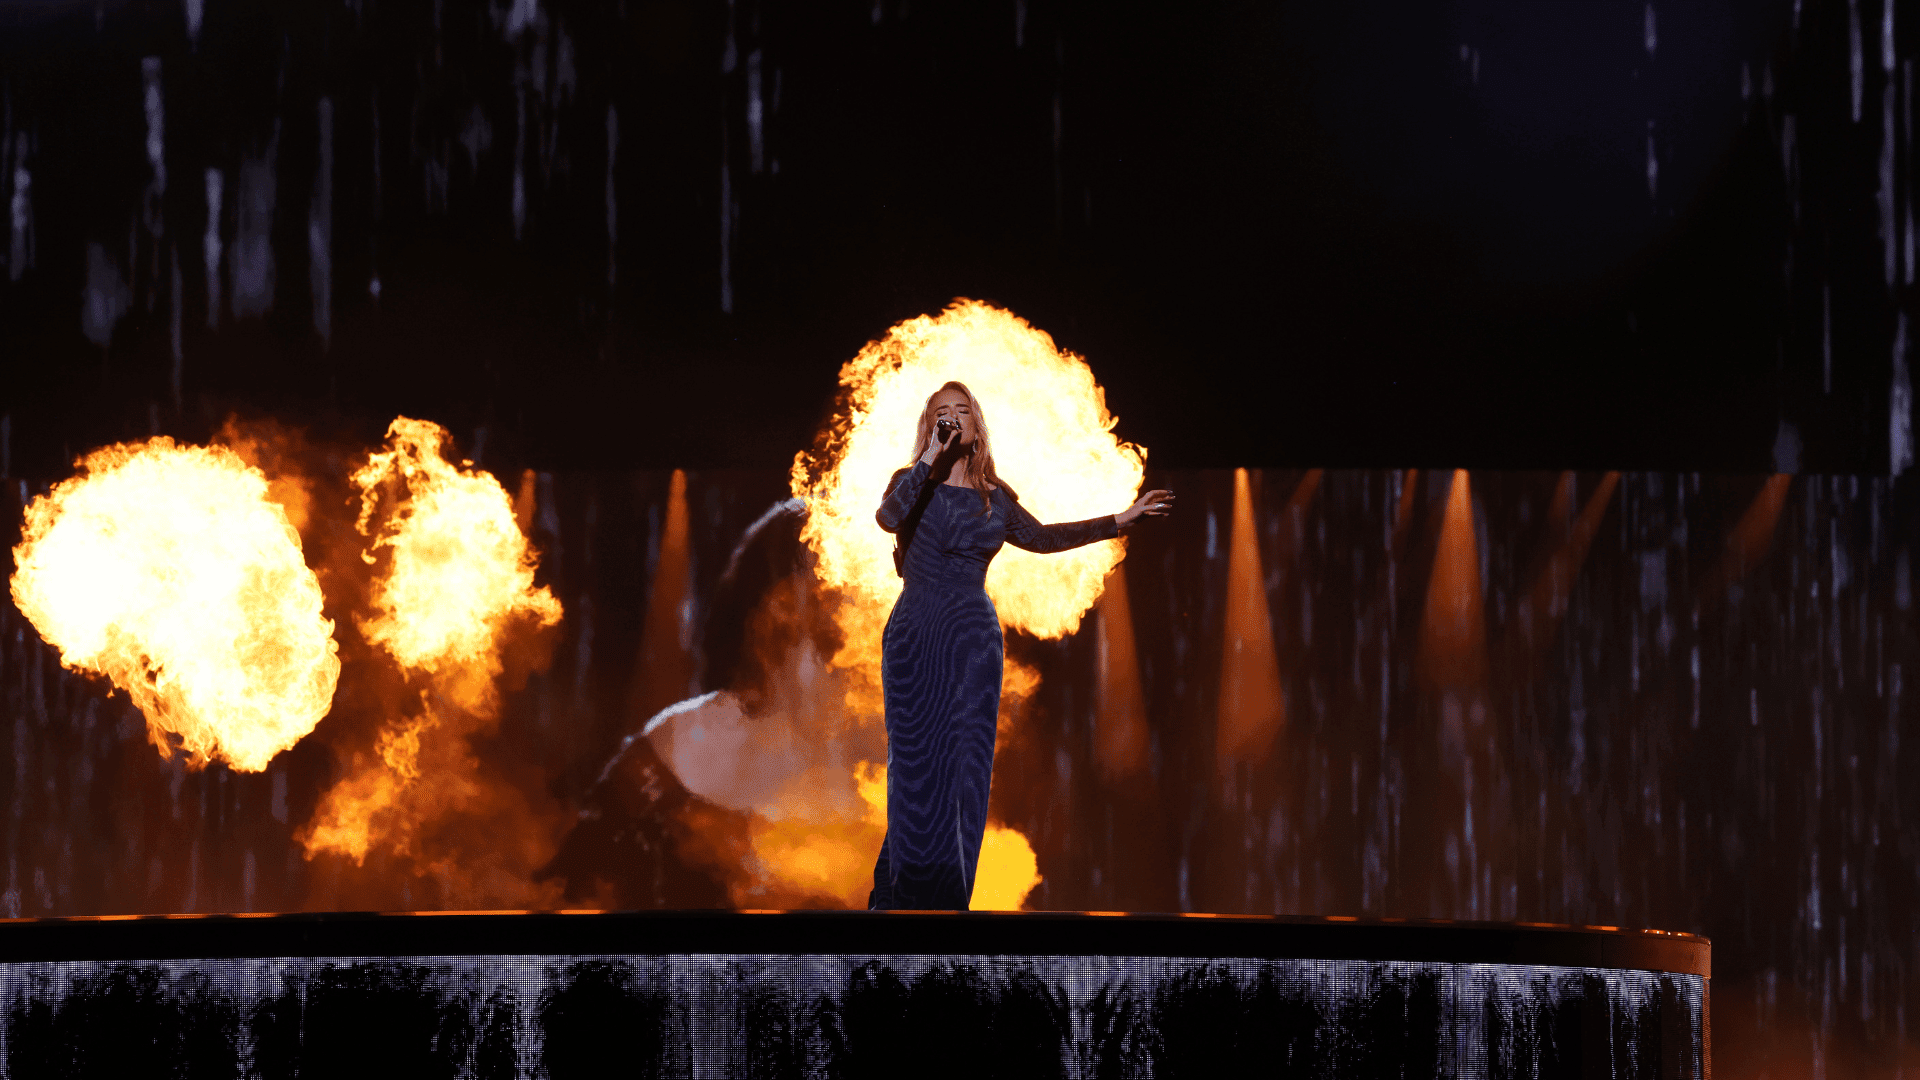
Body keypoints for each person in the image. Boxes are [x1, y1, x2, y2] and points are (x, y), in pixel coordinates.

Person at [868, 380, 1174, 910]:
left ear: (977, 423)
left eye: (962, 411)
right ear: (930, 425)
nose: (953, 418)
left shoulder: (995, 498)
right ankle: (897, 905)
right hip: (916, 634)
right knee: (914, 767)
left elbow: (1043, 538)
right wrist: (928, 460)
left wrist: (1119, 521)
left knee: (962, 773)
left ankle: (943, 905)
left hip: (971, 643)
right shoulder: (908, 482)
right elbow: (888, 519)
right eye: (943, 413)